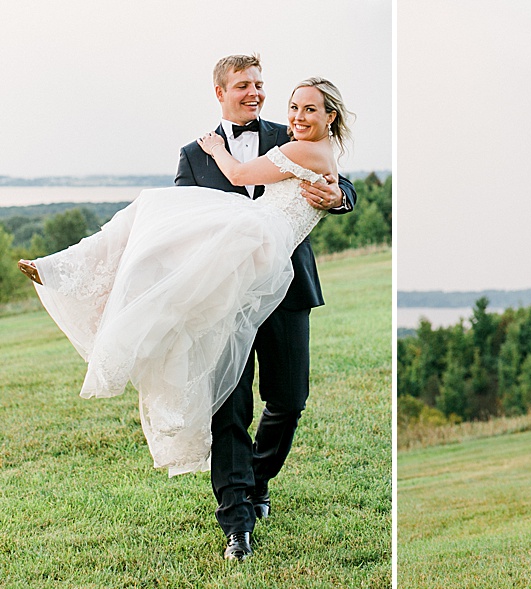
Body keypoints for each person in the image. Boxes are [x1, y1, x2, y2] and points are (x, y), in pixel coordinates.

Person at [19, 65, 355, 561]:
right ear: (221, 92)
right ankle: (237, 519)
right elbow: (175, 229)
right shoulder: (191, 155)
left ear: (324, 114)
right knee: (229, 407)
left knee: (289, 400)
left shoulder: (295, 135)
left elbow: (341, 183)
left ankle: (256, 480)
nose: (258, 94)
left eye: (261, 84)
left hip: (283, 288)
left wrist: (339, 197)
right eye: (244, 85)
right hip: (217, 292)